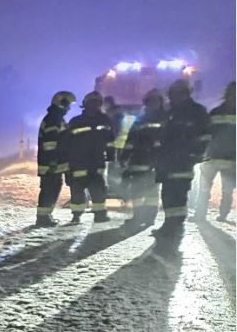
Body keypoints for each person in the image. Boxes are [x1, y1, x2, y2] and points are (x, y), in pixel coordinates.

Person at [154, 77, 209, 237]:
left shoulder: (197, 111)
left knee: (178, 194)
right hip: (166, 161)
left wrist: (196, 154)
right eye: (171, 94)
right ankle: (169, 224)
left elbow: (205, 136)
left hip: (184, 160)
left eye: (176, 94)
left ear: (185, 93)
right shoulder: (168, 112)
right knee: (167, 194)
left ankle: (175, 226)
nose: (173, 97)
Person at [63, 91, 115, 223]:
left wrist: (110, 154)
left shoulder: (105, 120)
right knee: (77, 189)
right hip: (78, 161)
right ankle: (76, 215)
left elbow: (110, 140)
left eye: (97, 103)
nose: (94, 105)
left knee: (98, 188)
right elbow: (67, 142)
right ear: (85, 105)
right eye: (91, 103)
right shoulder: (75, 122)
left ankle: (100, 215)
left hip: (96, 161)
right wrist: (66, 162)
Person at [119, 89, 165, 230]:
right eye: (151, 101)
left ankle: (149, 217)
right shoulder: (139, 121)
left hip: (155, 161)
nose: (153, 104)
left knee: (152, 192)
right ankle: (138, 217)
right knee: (138, 191)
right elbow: (130, 141)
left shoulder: (166, 119)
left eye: (156, 101)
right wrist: (124, 157)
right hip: (139, 160)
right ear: (147, 103)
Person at [194, 81, 235, 222]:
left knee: (227, 190)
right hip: (212, 157)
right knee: (204, 189)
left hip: (229, 158)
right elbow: (206, 133)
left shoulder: (216, 112)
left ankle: (222, 215)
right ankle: (200, 215)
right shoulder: (215, 112)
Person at [35, 90, 74, 226]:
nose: (69, 107)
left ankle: (45, 216)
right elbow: (50, 143)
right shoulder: (53, 119)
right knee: (49, 189)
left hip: (53, 162)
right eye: (67, 104)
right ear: (61, 103)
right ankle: (42, 218)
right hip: (51, 163)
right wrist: (53, 160)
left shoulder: (55, 118)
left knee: (53, 188)